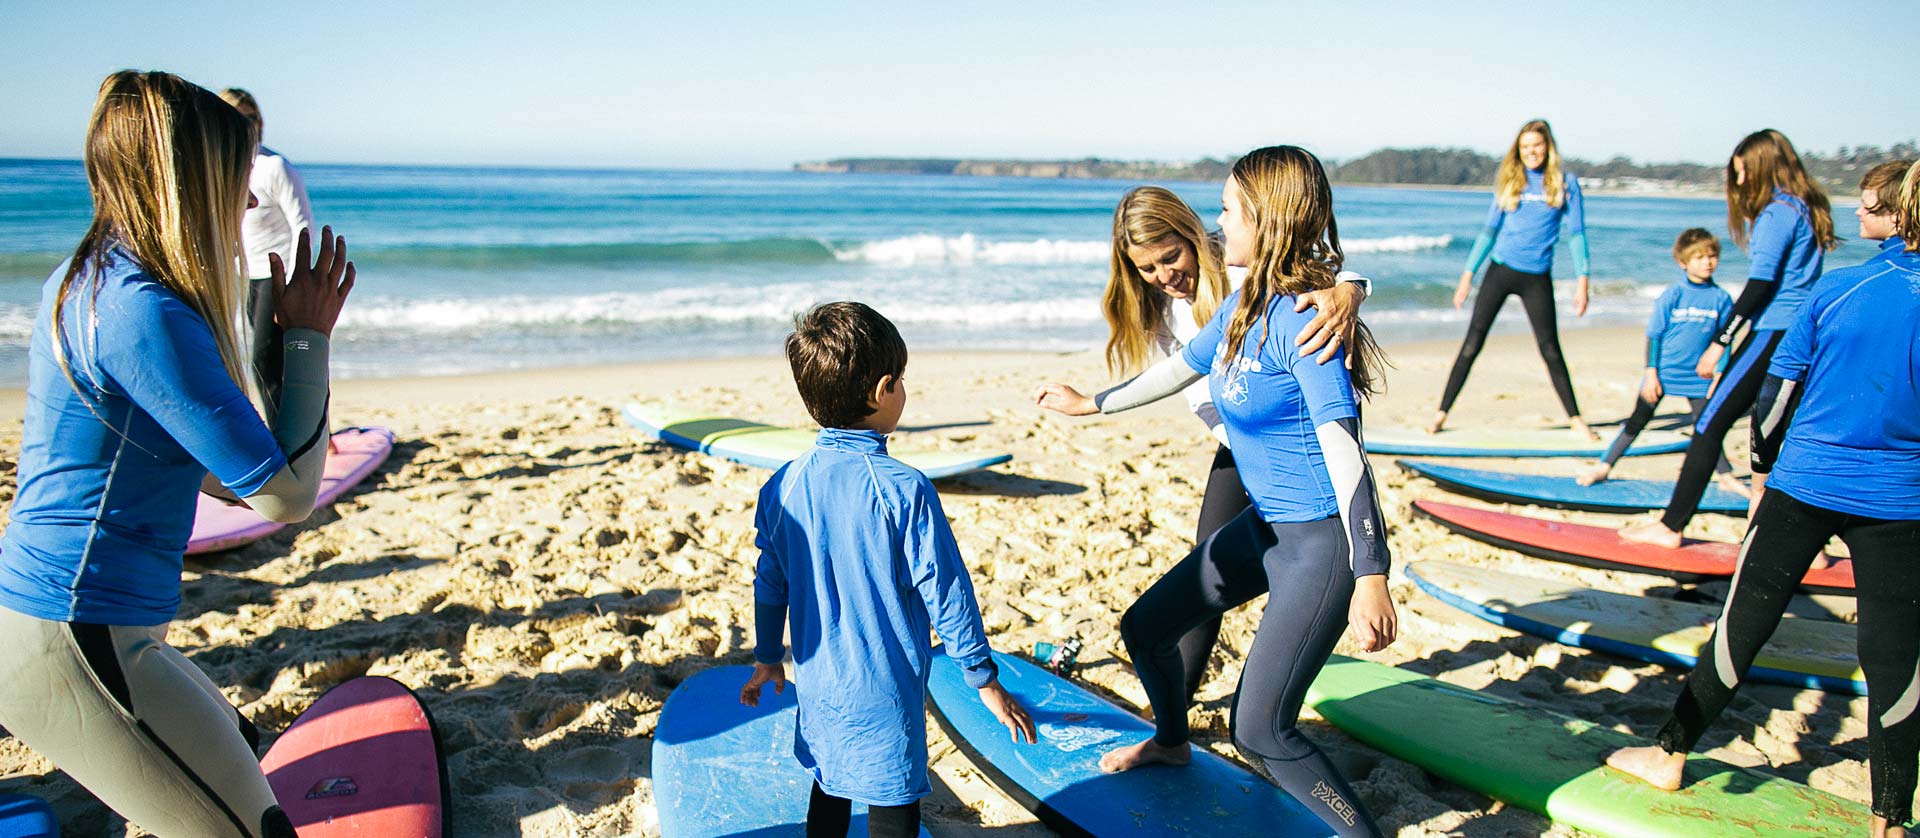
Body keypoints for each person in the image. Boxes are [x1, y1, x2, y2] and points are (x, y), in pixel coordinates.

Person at [0, 70, 354, 838]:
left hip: (74, 628)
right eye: (237, 179)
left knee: (240, 752)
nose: (252, 203)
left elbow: (188, 465)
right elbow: (287, 498)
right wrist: (308, 337)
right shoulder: (143, 311)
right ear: (190, 183)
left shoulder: (88, 281)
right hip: (79, 638)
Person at [1087, 146, 1396, 837]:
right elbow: (1175, 373)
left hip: (1320, 544)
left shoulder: (1303, 324)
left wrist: (1372, 574)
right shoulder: (1238, 307)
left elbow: (1348, 454)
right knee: (1147, 627)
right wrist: (1094, 404)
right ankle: (1170, 740)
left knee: (1261, 731)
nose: (1217, 224)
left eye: (1227, 209)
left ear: (1267, 218)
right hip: (1267, 532)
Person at [1605, 163, 1920, 838]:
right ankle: (1889, 819)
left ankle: (1667, 754)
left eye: (1869, 208)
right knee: (1896, 655)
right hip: (1901, 502)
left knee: (1743, 625)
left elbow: (1774, 405)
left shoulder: (1839, 290)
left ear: (1900, 215)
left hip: (1804, 485)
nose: (1856, 216)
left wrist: (1759, 478)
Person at [1032, 185, 1370, 703]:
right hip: (1234, 439)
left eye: (1171, 256)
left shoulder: (1240, 272)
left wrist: (1351, 290)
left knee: (1295, 555)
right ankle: (1181, 700)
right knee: (1208, 566)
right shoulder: (1158, 308)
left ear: (1191, 234)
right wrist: (1090, 403)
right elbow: (1188, 385)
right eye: (1147, 268)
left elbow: (1315, 269)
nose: (1164, 276)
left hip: (1286, 441)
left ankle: (1283, 658)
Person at [742, 302, 1036, 838]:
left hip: (818, 684)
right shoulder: (904, 488)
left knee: (828, 782)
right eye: (901, 380)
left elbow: (769, 582)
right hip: (884, 688)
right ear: (883, 390)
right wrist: (984, 680)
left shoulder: (782, 484)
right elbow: (947, 593)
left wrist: (766, 658)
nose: (903, 389)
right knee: (893, 801)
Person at [1622, 130, 1839, 548]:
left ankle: (1670, 527)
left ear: (1758, 169)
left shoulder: (1777, 214)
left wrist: (1721, 341)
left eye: (1741, 173)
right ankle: (1809, 546)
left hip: (1773, 332)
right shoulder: (1805, 208)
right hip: (1801, 332)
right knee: (1780, 436)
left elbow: (1761, 285)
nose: (1738, 183)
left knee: (1708, 423)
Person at [1430, 118, 1596, 440]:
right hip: (1500, 271)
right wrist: (1467, 276)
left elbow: (1578, 235)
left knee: (1550, 349)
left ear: (1548, 147)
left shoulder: (1565, 184)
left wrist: (1583, 280)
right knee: (1472, 343)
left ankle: (1576, 418)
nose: (1531, 152)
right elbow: (1488, 232)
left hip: (1537, 277)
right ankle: (1441, 413)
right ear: (1517, 151)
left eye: (1536, 145)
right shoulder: (1510, 181)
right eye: (1525, 147)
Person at [1576, 229, 1737, 490]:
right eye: (1699, 257)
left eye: (1712, 256)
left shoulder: (1721, 298)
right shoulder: (1673, 295)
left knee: (1707, 427)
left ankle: (1725, 476)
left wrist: (1721, 372)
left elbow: (1724, 338)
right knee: (1636, 422)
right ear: (1682, 262)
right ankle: (1604, 466)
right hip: (1664, 373)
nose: (1707, 262)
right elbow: (1654, 335)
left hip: (1699, 378)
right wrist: (1651, 373)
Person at [219, 87, 314, 416]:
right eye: (240, 116)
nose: (250, 124)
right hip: (246, 275)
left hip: (278, 277)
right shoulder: (226, 166)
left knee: (263, 358)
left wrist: (294, 286)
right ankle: (309, 429)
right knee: (273, 361)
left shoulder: (275, 167)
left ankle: (283, 439)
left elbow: (302, 225)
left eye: (253, 116)